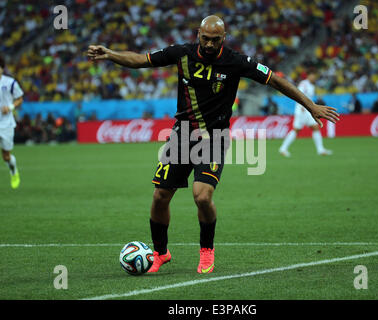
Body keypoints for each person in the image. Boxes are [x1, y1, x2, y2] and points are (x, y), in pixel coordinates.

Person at [87, 15, 339, 274]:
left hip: (215, 136)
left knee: (202, 195)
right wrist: (110, 54)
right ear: (198, 34)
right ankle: (160, 253)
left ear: (224, 38)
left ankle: (206, 250)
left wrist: (311, 106)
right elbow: (141, 60)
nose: (209, 44)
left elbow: (275, 79)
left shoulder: (236, 61)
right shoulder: (182, 54)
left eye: (215, 40)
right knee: (160, 196)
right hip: (182, 134)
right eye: (205, 38)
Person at [279, 72, 333, 157]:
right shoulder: (304, 84)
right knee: (296, 129)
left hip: (308, 110)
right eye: (312, 75)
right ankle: (283, 148)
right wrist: (302, 106)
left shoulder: (312, 86)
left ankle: (320, 150)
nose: (314, 78)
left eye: (315, 76)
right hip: (302, 110)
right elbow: (298, 93)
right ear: (309, 76)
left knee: (315, 127)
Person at [0, 55, 24, 189]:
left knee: (6, 156)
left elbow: (20, 98)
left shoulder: (10, 83)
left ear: (2, 69)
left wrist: (10, 107)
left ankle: (13, 170)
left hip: (6, 123)